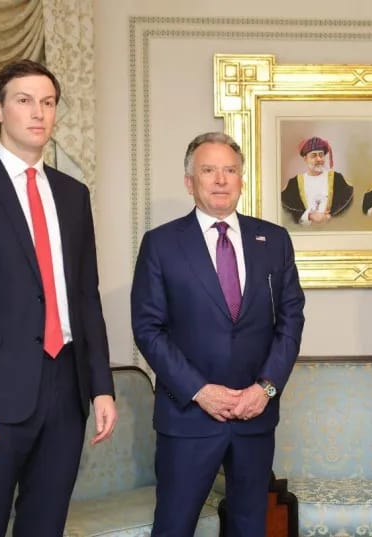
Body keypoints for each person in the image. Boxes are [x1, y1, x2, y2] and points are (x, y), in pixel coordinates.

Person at [0, 59, 117, 537]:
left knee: (45, 526)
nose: (38, 113)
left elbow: (86, 298)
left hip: (66, 389)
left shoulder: (74, 195)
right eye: (24, 100)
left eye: (48, 103)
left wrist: (101, 386)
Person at [131, 132, 306, 537]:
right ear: (190, 182)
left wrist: (265, 389)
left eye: (230, 170)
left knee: (250, 526)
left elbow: (291, 320)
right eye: (209, 170)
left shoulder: (273, 240)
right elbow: (148, 328)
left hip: (254, 413)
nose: (221, 180)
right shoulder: (161, 244)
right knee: (174, 526)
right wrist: (200, 390)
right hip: (189, 415)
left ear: (242, 180)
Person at [281, 136, 353, 224]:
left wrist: (329, 216)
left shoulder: (337, 179)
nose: (319, 159)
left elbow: (348, 205)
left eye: (321, 155)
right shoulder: (294, 183)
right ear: (305, 159)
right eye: (313, 156)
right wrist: (309, 216)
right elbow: (287, 211)